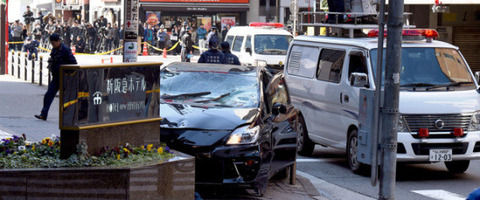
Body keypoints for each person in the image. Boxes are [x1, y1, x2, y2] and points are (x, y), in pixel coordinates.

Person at [35, 33, 77, 121]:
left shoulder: (65, 50)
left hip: (65, 78)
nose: (53, 45)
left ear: (58, 41)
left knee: (66, 99)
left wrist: (64, 69)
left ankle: (69, 117)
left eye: (54, 43)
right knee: (48, 95)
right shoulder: (54, 49)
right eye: (52, 43)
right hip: (56, 77)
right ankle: (43, 114)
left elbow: (73, 63)